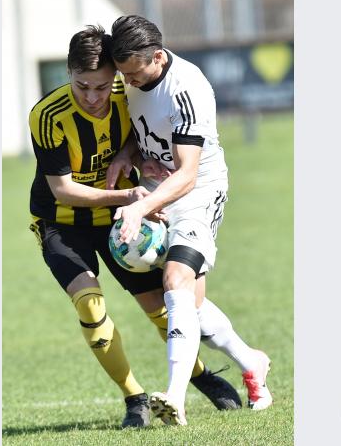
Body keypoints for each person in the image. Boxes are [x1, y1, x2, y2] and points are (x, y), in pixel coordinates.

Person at [26, 25, 242, 429]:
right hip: (62, 222)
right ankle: (134, 398)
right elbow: (63, 190)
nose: (93, 97)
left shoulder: (130, 92)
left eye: (102, 87)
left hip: (120, 220)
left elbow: (142, 140)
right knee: (90, 305)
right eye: (82, 86)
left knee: (162, 308)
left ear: (116, 78)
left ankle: (200, 377)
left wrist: (137, 161)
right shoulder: (47, 115)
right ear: (68, 75)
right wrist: (129, 199)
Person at [107, 15, 273, 426]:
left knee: (175, 281)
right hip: (156, 185)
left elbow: (187, 173)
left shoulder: (186, 88)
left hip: (198, 192)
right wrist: (129, 153)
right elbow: (144, 127)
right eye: (123, 73)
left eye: (133, 73)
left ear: (158, 57)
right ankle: (251, 361)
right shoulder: (134, 77)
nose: (127, 81)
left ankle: (175, 397)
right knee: (189, 305)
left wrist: (139, 207)